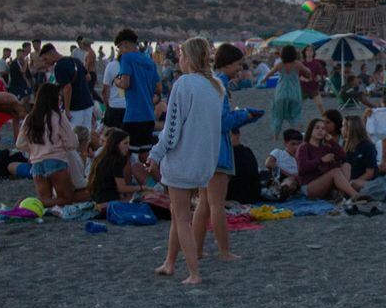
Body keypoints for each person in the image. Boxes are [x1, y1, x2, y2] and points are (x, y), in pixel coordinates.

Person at [149, 38, 225, 285]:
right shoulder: (215, 87)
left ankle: (194, 273)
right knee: (177, 212)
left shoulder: (184, 83)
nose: (178, 59)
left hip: (183, 161)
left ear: (188, 58)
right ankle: (170, 262)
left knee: (182, 216)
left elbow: (171, 129)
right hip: (204, 162)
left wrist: (156, 154)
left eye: (181, 55)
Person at [203, 41, 261, 260]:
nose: (240, 68)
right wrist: (245, 115)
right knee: (217, 203)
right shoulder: (220, 86)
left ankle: (197, 249)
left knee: (204, 204)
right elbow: (223, 121)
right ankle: (224, 251)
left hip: (206, 149)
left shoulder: (211, 83)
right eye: (238, 64)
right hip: (217, 150)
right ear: (227, 63)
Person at [14, 83, 79, 207]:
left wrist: (34, 149)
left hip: (37, 163)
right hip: (56, 160)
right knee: (66, 199)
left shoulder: (29, 118)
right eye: (58, 95)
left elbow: (19, 143)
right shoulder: (58, 117)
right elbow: (72, 143)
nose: (60, 98)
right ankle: (26, 201)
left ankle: (28, 202)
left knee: (45, 200)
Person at [44, 42, 97, 161]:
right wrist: (79, 84)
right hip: (87, 103)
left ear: (51, 53)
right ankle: (85, 164)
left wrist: (67, 110)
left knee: (73, 138)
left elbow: (67, 87)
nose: (45, 62)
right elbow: (88, 77)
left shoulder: (59, 66)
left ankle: (76, 165)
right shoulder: (75, 60)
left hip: (75, 106)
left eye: (45, 59)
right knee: (86, 136)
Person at [112, 29, 160, 154]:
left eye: (119, 47)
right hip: (149, 115)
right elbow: (159, 88)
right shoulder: (150, 62)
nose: (119, 51)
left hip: (133, 115)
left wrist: (116, 81)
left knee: (125, 154)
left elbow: (125, 83)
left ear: (125, 44)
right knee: (144, 154)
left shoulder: (127, 57)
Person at [295, 116, 365, 200]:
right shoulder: (304, 147)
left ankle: (342, 194)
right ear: (310, 130)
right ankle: (354, 194)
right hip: (309, 185)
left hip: (326, 184)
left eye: (323, 129)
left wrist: (332, 141)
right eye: (317, 128)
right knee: (335, 172)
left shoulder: (325, 148)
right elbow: (302, 168)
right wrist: (321, 160)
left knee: (346, 165)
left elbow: (342, 157)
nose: (320, 130)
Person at [86, 127, 149, 205]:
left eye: (129, 143)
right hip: (108, 201)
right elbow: (122, 188)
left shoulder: (102, 157)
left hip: (98, 198)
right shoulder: (117, 161)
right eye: (125, 143)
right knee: (146, 196)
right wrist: (142, 187)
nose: (128, 146)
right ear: (116, 144)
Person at [264, 128, 304, 198]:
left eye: (299, 144)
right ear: (285, 144)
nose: (296, 147)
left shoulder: (302, 158)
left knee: (291, 183)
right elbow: (268, 163)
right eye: (293, 144)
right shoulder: (278, 153)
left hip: (292, 182)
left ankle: (281, 191)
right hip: (276, 178)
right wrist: (287, 174)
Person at [301, 45, 328, 117]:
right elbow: (299, 76)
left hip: (314, 87)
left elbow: (319, 74)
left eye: (311, 50)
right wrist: (305, 80)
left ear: (313, 52)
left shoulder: (316, 63)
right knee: (298, 106)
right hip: (303, 88)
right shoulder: (302, 63)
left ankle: (325, 118)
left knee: (320, 104)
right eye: (307, 50)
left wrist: (318, 78)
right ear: (305, 52)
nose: (309, 52)